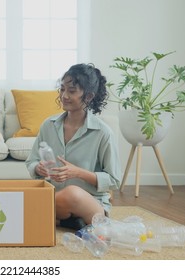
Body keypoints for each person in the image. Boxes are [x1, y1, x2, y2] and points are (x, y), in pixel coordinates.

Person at [25, 63, 121, 230]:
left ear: (89, 96)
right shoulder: (48, 125)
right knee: (25, 197)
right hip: (57, 201)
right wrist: (38, 169)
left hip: (90, 204)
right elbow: (31, 161)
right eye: (62, 89)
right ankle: (67, 222)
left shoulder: (102, 133)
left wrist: (78, 173)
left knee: (72, 193)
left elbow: (114, 180)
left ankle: (55, 218)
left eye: (72, 91)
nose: (64, 96)